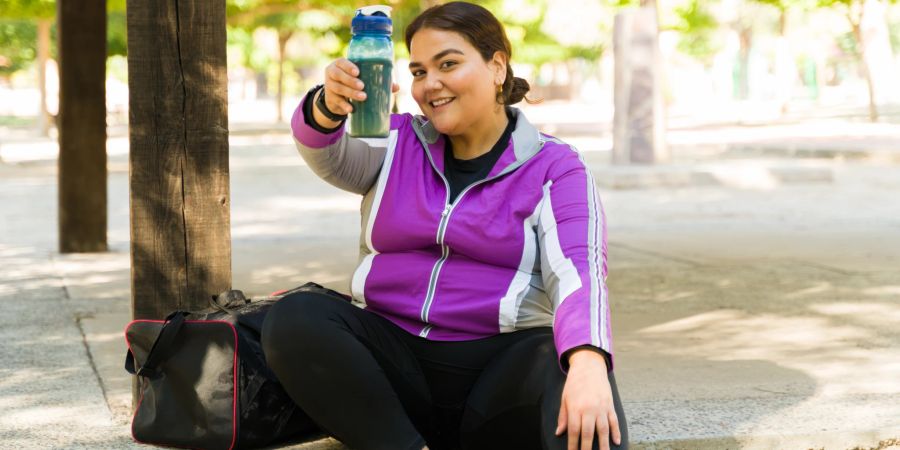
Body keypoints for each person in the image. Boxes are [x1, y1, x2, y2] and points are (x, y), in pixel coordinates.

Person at [261, 2, 627, 449]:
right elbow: (327, 151)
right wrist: (327, 104)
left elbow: (580, 271)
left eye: (448, 64)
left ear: (497, 67)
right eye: (418, 71)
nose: (430, 84)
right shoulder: (395, 142)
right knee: (296, 315)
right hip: (394, 370)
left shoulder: (554, 167)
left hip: (497, 374)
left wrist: (589, 362)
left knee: (570, 368)